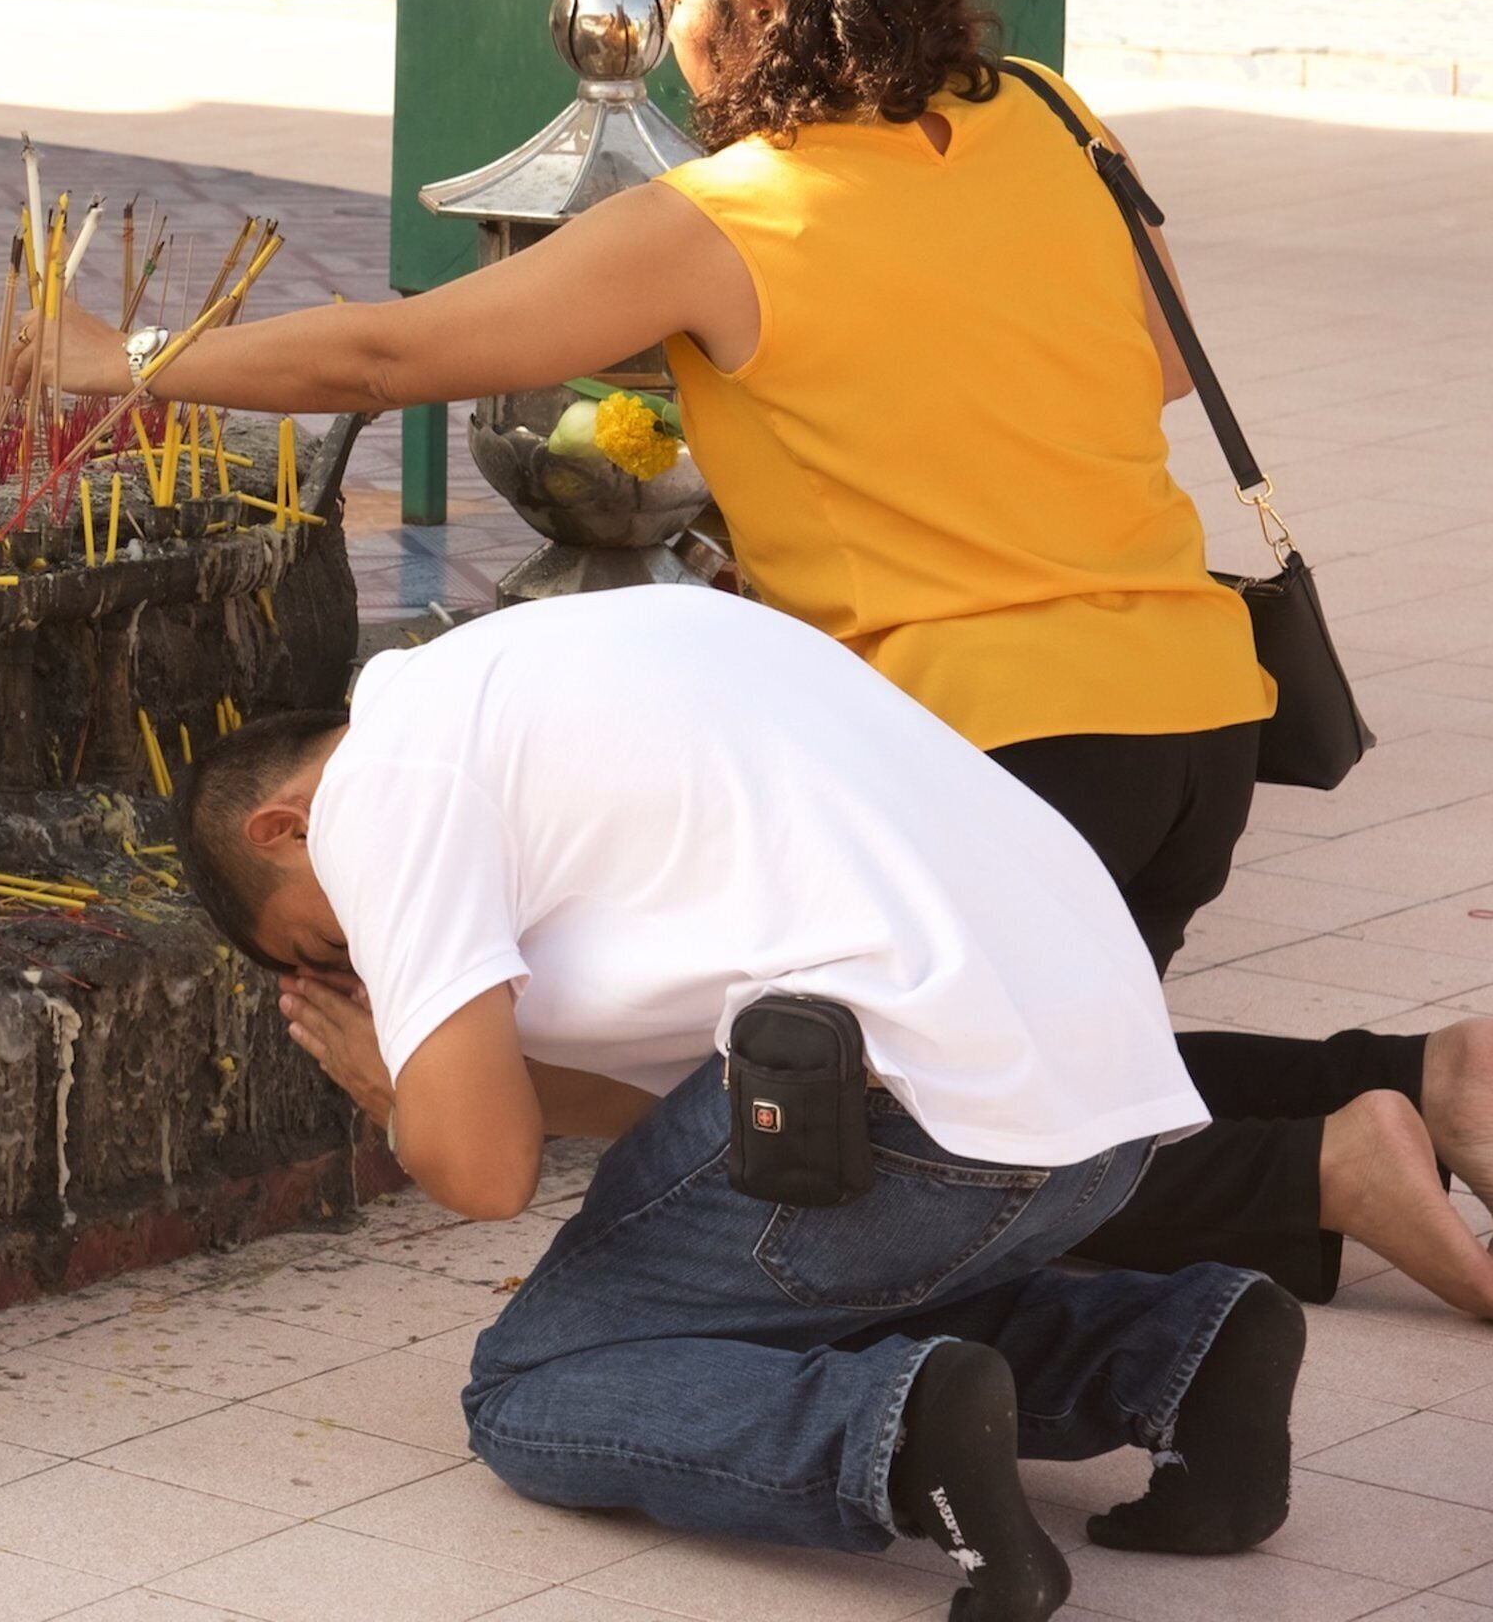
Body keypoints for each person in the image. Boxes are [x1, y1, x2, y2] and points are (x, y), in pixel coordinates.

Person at [8, 0, 1493, 1320]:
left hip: (995, 736)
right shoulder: (1047, 111)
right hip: (1197, 713)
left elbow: (388, 355)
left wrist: (120, 361)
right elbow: (1165, 363)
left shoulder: (732, 221)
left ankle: (1325, 1170)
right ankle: (1424, 1084)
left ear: (761, 8)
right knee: (1040, 1043)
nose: (656, 34)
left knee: (922, 1146)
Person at [178, 587, 1299, 1619]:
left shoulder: (384, 786)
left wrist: (396, 1093)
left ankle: (900, 1436)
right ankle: (1177, 1353)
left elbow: (482, 1175)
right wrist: (463, 1078)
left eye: (334, 945)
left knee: (531, 1387)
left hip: (918, 1124)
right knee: (761, 1292)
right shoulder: (563, 662)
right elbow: (667, 1133)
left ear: (280, 827)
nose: (367, 977)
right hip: (1109, 1112)